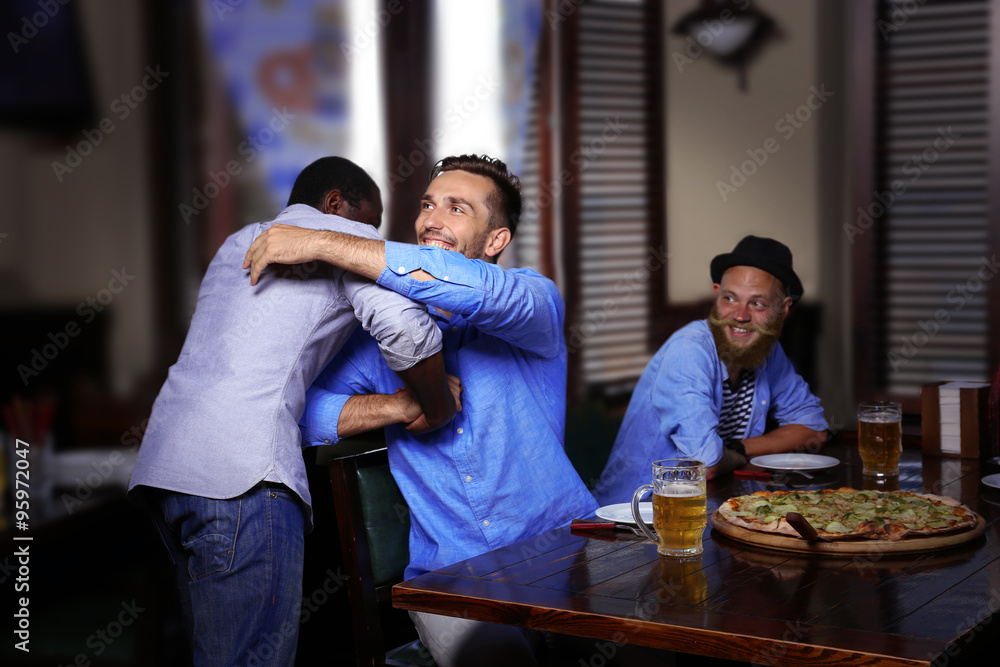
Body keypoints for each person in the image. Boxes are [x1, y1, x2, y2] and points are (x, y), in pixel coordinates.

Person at [243, 154, 600, 667]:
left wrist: (323, 241)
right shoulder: (379, 340)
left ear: (496, 240)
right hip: (450, 574)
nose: (432, 219)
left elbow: (463, 282)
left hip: (563, 550)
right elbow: (296, 414)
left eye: (458, 208)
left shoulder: (534, 301)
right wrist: (397, 403)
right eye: (428, 205)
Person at [128, 156, 455, 667]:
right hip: (242, 478)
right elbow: (408, 332)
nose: (370, 235)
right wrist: (435, 406)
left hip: (167, 474)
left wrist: (393, 400)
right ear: (334, 205)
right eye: (368, 221)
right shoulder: (340, 244)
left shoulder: (240, 240)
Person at [594, 235, 829, 505]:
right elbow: (707, 464)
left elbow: (814, 429)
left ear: (784, 308)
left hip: (711, 506)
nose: (740, 315)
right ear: (717, 292)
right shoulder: (689, 350)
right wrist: (729, 456)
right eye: (730, 298)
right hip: (637, 517)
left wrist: (738, 449)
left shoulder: (768, 351)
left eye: (758, 303)